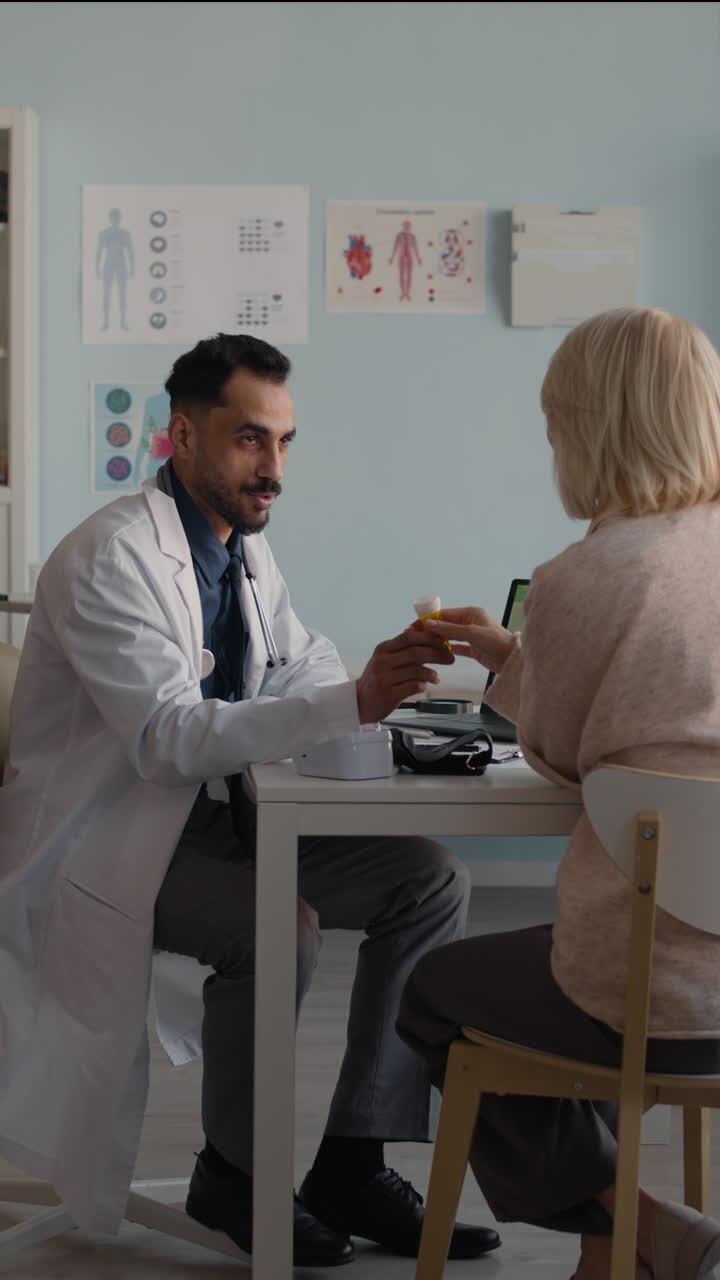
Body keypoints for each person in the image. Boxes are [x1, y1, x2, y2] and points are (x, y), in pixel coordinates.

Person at [0, 334, 500, 1268]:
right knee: (279, 925)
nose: (273, 469)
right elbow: (167, 738)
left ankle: (353, 1162)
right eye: (249, 440)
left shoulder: (244, 554)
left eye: (284, 442)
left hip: (224, 823)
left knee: (429, 882)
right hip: (109, 846)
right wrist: (349, 700)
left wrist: (380, 679)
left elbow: (299, 662)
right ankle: (233, 1173)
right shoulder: (112, 557)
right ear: (183, 435)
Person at [397, 307, 720, 1280]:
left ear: (587, 428)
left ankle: (632, 1220)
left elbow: (556, 751)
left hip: (644, 992)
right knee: (567, 960)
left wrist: (518, 666)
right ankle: (611, 1251)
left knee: (438, 993)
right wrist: (519, 655)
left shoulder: (585, 575)